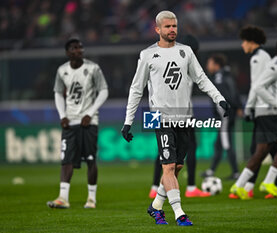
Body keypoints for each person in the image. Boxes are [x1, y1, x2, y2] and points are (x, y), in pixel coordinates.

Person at [121, 11, 228, 226]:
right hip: (159, 117)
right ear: (157, 29)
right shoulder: (147, 55)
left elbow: (202, 79)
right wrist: (128, 121)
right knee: (168, 167)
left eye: (174, 26)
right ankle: (180, 214)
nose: (172, 30)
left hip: (184, 117)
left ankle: (156, 207)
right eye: (168, 26)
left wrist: (220, 99)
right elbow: (136, 89)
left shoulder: (186, 52)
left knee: (177, 167)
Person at [47, 38, 108, 209]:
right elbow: (58, 93)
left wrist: (89, 113)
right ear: (68, 52)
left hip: (89, 121)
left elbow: (104, 91)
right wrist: (62, 115)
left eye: (80, 47)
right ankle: (63, 198)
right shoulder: (62, 70)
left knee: (90, 159)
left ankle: (91, 199)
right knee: (66, 159)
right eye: (74, 48)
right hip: (70, 120)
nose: (79, 50)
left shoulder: (93, 68)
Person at [229, 38, 277, 200]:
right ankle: (269, 181)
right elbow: (257, 86)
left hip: (264, 113)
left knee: (260, 152)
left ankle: (238, 186)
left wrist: (251, 108)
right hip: (271, 113)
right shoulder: (276, 66)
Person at [148, 34, 210, 199]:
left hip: (156, 110)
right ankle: (190, 187)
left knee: (162, 150)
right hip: (179, 113)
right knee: (190, 147)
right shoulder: (186, 64)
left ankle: (155, 187)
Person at [201, 54, 243, 180]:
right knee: (219, 144)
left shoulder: (219, 77)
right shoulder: (227, 74)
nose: (208, 66)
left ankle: (236, 172)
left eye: (210, 63)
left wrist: (231, 108)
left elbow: (224, 95)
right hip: (229, 113)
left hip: (224, 115)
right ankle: (211, 170)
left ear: (216, 64)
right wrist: (238, 107)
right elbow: (235, 92)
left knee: (226, 143)